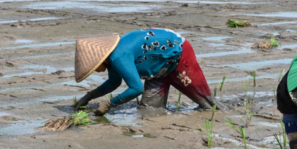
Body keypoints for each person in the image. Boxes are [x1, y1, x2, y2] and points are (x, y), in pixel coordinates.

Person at [72, 28, 218, 116]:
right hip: (157, 69)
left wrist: (110, 104)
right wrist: (89, 96)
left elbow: (137, 88)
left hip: (178, 55)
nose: (96, 71)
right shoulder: (112, 59)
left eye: (94, 68)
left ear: (100, 59)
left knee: (207, 104)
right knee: (150, 110)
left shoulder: (118, 57)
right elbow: (114, 82)